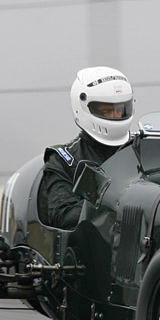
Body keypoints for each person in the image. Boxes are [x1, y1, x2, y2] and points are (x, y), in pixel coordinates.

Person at [39, 66, 135, 229]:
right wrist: (110, 206)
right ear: (83, 107)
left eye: (119, 110)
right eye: (107, 111)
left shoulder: (139, 150)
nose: (115, 116)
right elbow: (62, 215)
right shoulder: (63, 160)